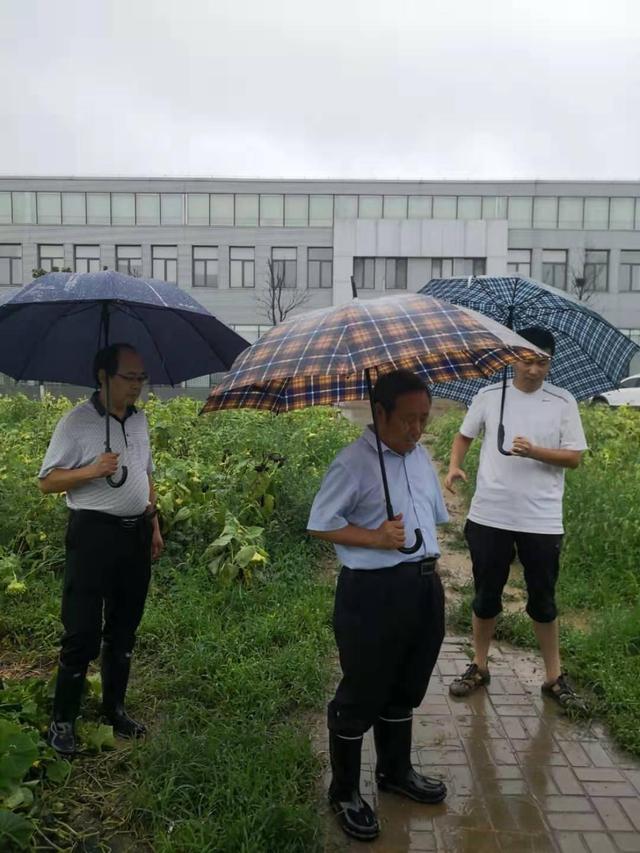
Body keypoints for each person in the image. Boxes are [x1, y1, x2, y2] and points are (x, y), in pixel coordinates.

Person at [308, 369, 448, 843]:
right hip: (372, 595)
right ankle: (344, 791)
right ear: (379, 412)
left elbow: (433, 517)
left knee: (405, 686)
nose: (416, 429)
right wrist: (373, 537)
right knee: (362, 692)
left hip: (424, 589)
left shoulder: (421, 455)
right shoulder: (354, 462)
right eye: (408, 419)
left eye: (424, 419)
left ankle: (394, 771)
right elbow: (320, 523)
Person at [445, 327, 587, 712]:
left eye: (543, 362)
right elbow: (464, 436)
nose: (535, 370)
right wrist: (455, 466)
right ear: (512, 357)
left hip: (541, 520)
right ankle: (479, 665)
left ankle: (553, 677)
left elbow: (574, 457)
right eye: (528, 360)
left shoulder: (562, 402)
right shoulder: (490, 396)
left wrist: (536, 451)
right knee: (485, 595)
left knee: (543, 599)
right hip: (490, 514)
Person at [39, 343, 164, 755]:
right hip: (93, 535)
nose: (137, 386)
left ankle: (115, 710)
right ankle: (62, 722)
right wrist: (93, 470)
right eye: (129, 377)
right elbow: (47, 481)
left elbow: (146, 473)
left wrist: (154, 522)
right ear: (102, 376)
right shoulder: (76, 423)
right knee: (82, 631)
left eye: (141, 377)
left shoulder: (141, 420)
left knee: (124, 629)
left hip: (135, 535)